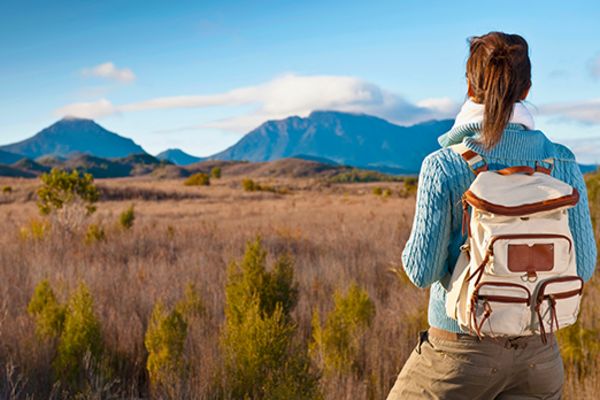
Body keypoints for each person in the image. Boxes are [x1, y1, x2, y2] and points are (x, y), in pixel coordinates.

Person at [386, 31, 597, 400]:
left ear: (470, 86)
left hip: (459, 356)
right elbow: (585, 266)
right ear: (528, 89)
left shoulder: (444, 165)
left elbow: (421, 272)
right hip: (539, 357)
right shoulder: (562, 162)